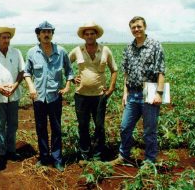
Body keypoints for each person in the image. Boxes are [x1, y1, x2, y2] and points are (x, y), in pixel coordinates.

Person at [111, 16, 165, 165]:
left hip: (150, 90)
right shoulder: (129, 48)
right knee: (125, 126)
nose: (136, 29)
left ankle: (149, 160)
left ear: (145, 27)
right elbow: (126, 73)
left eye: (139, 26)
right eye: (133, 27)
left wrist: (159, 94)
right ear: (131, 30)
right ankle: (124, 155)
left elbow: (161, 72)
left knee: (149, 130)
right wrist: (125, 93)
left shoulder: (155, 45)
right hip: (133, 93)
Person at [24, 21, 74, 172]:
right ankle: (44, 157)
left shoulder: (61, 51)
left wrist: (67, 86)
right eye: (43, 32)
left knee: (56, 128)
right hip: (38, 97)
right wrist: (31, 86)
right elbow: (27, 73)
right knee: (41, 128)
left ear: (52, 34)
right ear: (38, 34)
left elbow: (69, 72)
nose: (46, 34)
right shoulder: (32, 52)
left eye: (49, 31)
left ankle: (57, 159)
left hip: (54, 97)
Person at [69, 22, 118, 161]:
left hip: (99, 95)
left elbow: (114, 69)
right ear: (83, 36)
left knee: (99, 126)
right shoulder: (77, 50)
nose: (90, 36)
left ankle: (97, 154)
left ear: (96, 35)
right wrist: (72, 77)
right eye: (87, 34)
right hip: (81, 95)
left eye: (92, 34)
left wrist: (111, 88)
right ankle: (84, 152)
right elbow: (65, 64)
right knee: (83, 125)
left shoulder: (105, 50)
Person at [0, 26, 25, 168]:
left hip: (14, 95)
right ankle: (1, 154)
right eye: (4, 38)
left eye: (8, 37)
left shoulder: (16, 52)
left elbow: (22, 72)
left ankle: (11, 150)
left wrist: (14, 85)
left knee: (13, 124)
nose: (7, 40)